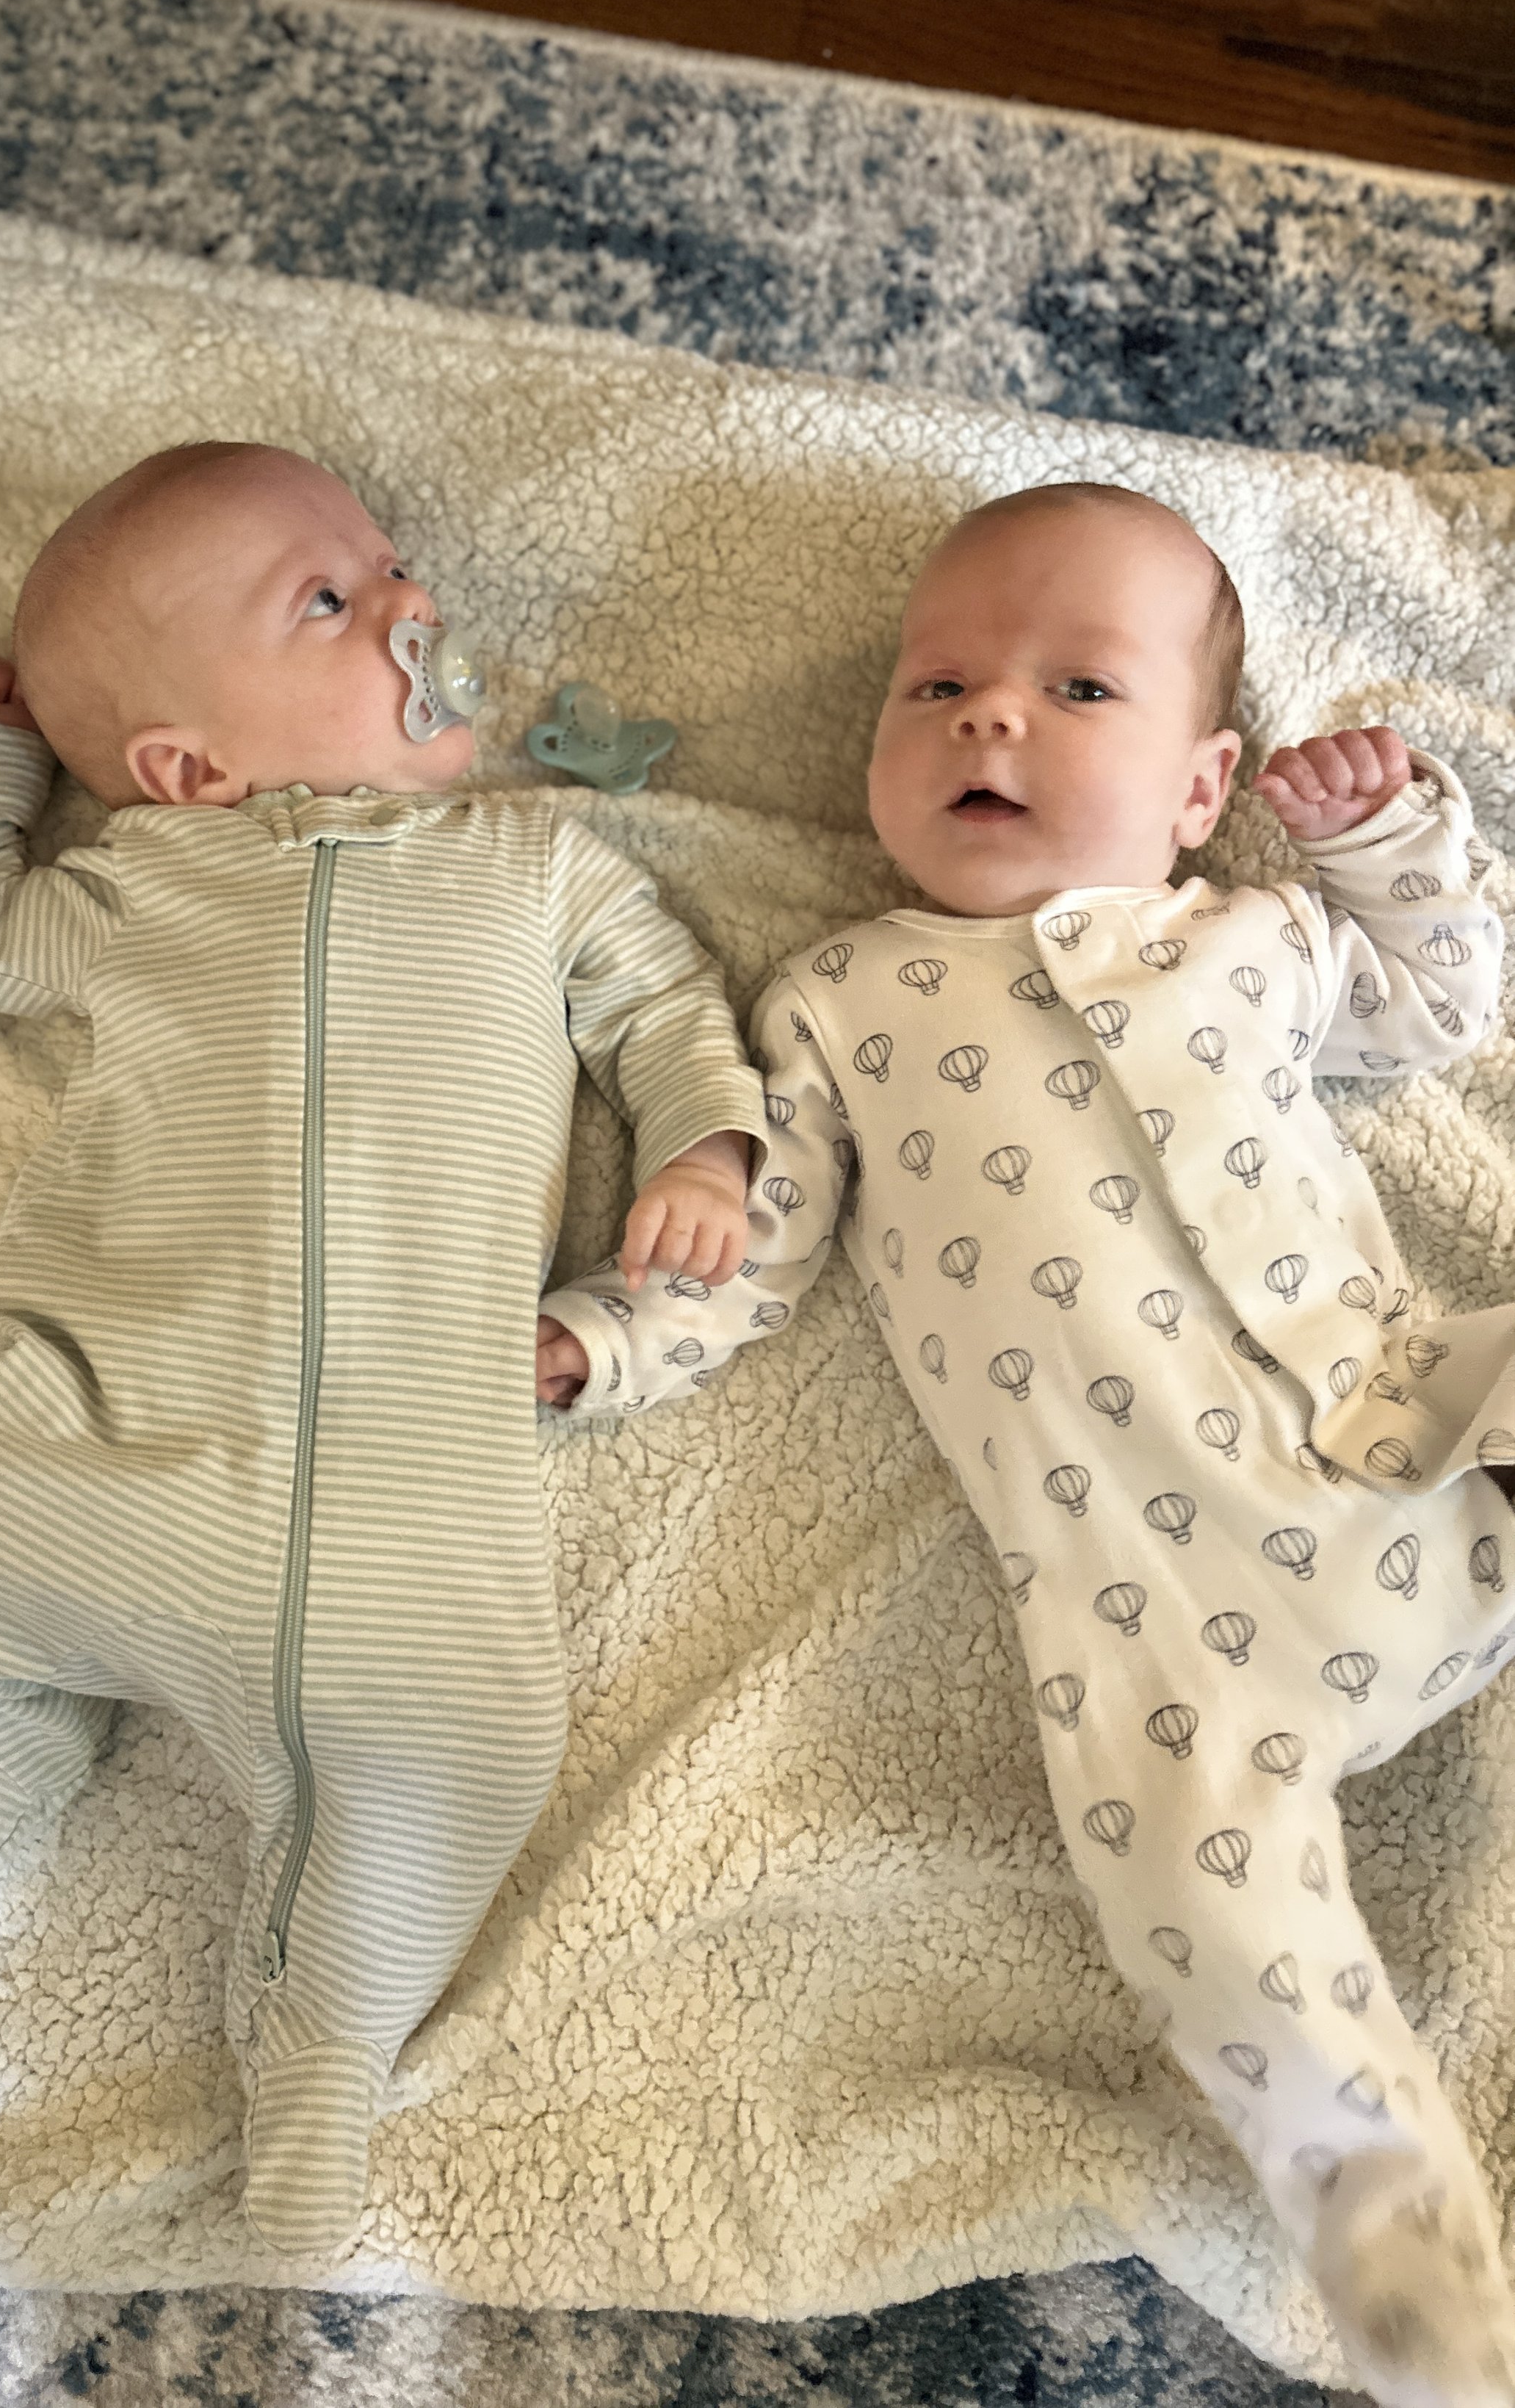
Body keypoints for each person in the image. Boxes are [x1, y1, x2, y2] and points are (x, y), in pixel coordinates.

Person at [539, 481, 1515, 2408]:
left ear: (1192, 783)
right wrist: (605, 1332)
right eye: (937, 684)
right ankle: (1415, 2269)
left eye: (1077, 685)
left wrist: (1388, 838)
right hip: (1168, 1623)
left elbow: (1441, 1000)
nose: (988, 716)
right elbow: (758, 1247)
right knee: (1203, 1903)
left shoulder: (1242, 935)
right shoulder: (835, 1001)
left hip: (1422, 1428)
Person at [0, 439, 766, 2261]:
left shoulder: (534, 865)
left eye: (389, 564)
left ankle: (320, 2054)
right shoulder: (137, 883)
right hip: (122, 1448)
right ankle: (0, 1716)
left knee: (462, 1756)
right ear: (184, 768)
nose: (411, 602)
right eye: (329, 601)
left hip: (409, 1495)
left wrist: (703, 1142)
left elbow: (661, 1004)